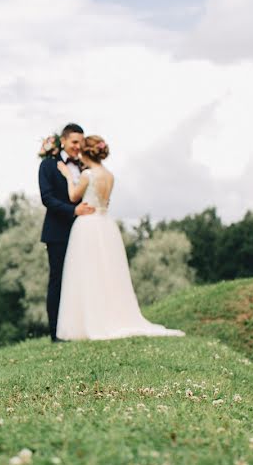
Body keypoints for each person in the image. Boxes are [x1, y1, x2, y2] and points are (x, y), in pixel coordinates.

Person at [55, 135, 184, 340]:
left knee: (89, 272)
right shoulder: (110, 175)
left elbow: (73, 197)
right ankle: (112, 315)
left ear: (84, 153)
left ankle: (91, 320)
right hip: (106, 224)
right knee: (109, 272)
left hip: (88, 225)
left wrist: (68, 177)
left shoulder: (88, 174)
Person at [38, 123, 94, 342]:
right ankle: (56, 333)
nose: (78, 146)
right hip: (57, 233)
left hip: (85, 231)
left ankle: (81, 327)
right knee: (58, 280)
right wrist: (73, 210)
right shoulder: (48, 166)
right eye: (74, 142)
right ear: (63, 141)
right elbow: (47, 198)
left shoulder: (85, 166)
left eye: (81, 142)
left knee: (82, 279)